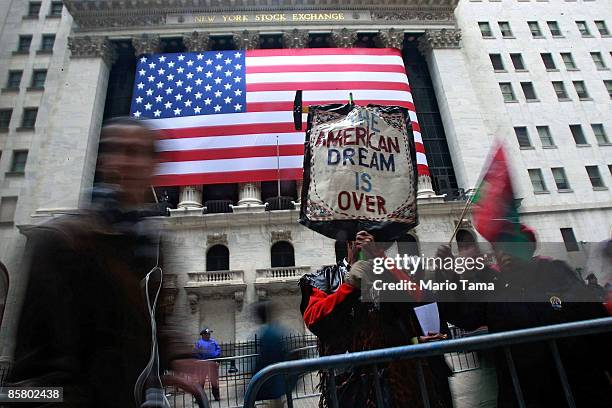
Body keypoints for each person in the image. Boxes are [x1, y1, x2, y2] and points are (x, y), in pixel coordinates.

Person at [7, 118, 192, 406]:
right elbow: (27, 378)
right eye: (114, 150)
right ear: (103, 161)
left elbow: (153, 323)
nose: (123, 161)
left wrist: (181, 357)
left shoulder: (153, 245)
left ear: (153, 166)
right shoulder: (59, 240)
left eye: (134, 152)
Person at [437, 225, 612, 408]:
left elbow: (596, 326)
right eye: (498, 248)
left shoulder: (557, 272)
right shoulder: (494, 287)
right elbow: (464, 316)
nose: (505, 254)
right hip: (525, 392)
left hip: (578, 387)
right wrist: (449, 277)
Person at [299, 231, 450, 408]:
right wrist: (349, 287)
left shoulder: (387, 271)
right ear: (348, 243)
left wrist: (380, 258)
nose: (364, 243)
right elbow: (314, 320)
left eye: (371, 239)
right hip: (349, 386)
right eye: (358, 238)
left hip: (398, 382)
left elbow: (414, 299)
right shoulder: (324, 278)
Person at [194, 327, 221, 401]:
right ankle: (199, 397)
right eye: (207, 334)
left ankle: (216, 396)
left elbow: (218, 351)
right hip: (202, 364)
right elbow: (196, 353)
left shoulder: (213, 342)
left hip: (212, 363)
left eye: (209, 334)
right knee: (201, 382)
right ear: (202, 335)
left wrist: (218, 361)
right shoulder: (199, 343)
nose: (208, 335)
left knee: (214, 381)